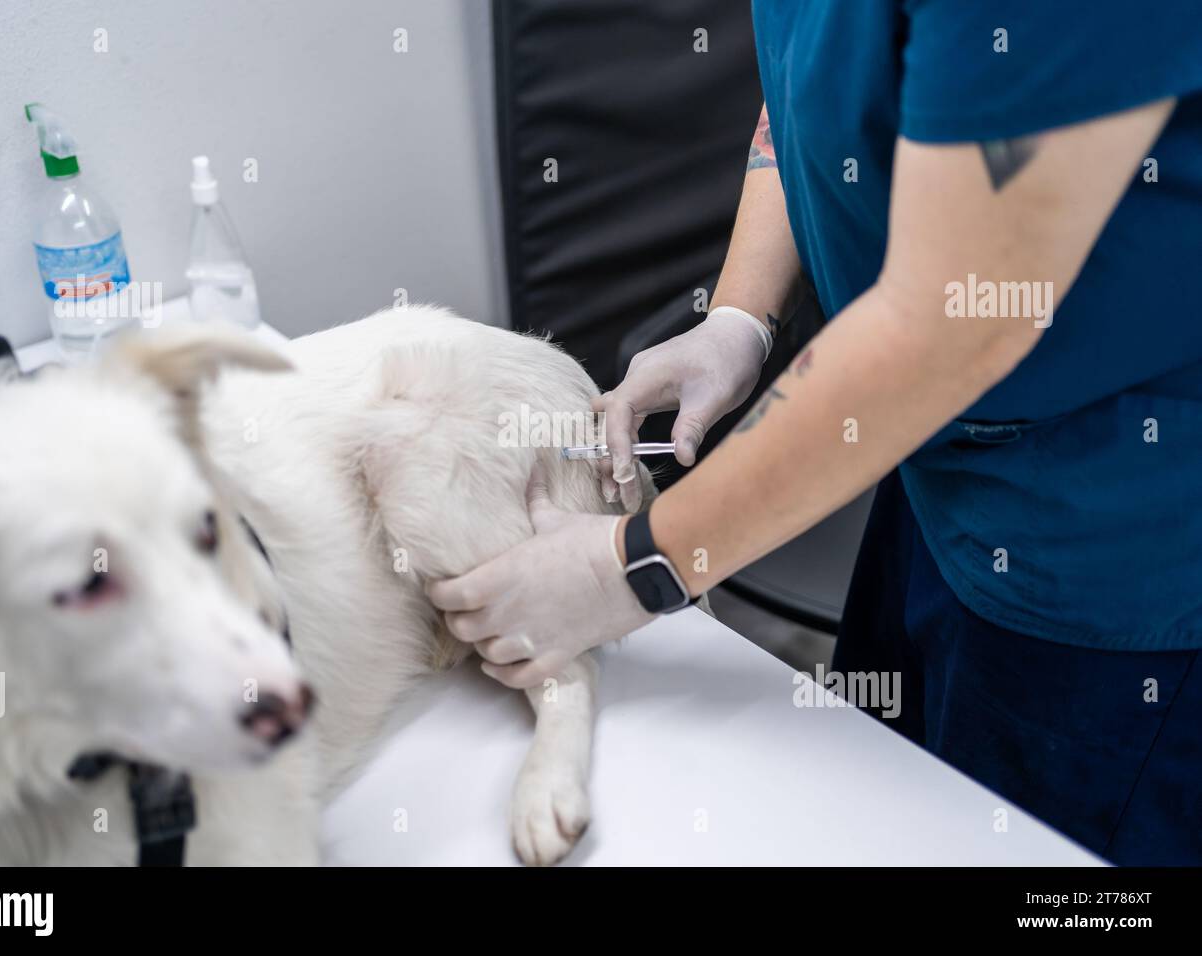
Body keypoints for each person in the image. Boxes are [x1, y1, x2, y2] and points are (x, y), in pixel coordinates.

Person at [429, 2, 1202, 864]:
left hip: (1122, 539)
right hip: (940, 472)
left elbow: (950, 325)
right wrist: (740, 316)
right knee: (883, 806)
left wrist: (636, 566)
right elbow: (814, 90)